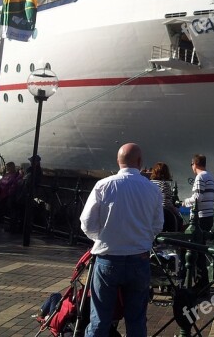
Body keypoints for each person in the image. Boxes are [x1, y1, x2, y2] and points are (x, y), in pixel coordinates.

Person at [80, 143, 163, 337]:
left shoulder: (104, 185)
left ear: (118, 161)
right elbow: (158, 225)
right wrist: (143, 239)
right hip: (140, 259)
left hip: (108, 258)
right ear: (140, 162)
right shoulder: (152, 190)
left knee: (99, 319)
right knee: (136, 320)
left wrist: (101, 238)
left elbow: (86, 222)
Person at [182, 154, 214, 232]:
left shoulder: (200, 177)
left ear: (195, 164)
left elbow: (197, 197)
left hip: (200, 218)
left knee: (183, 236)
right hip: (209, 217)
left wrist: (185, 202)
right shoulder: (211, 177)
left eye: (191, 164)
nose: (191, 167)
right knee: (201, 241)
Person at [150, 162, 183, 232]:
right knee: (179, 219)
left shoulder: (149, 183)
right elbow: (165, 203)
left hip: (150, 212)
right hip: (163, 213)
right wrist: (176, 210)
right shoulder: (164, 184)